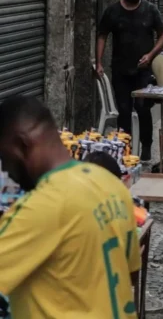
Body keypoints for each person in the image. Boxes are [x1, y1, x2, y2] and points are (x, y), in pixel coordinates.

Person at [0, 96, 141, 318]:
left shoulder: (39, 207)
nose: (7, 171)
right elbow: (130, 272)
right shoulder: (111, 186)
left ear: (22, 145)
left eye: (4, 158)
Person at [96, 0, 163, 162]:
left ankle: (146, 146)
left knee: (143, 109)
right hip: (120, 69)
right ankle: (125, 148)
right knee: (124, 110)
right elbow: (102, 35)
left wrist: (150, 55)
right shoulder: (113, 12)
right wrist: (99, 62)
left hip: (143, 71)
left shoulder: (150, 10)